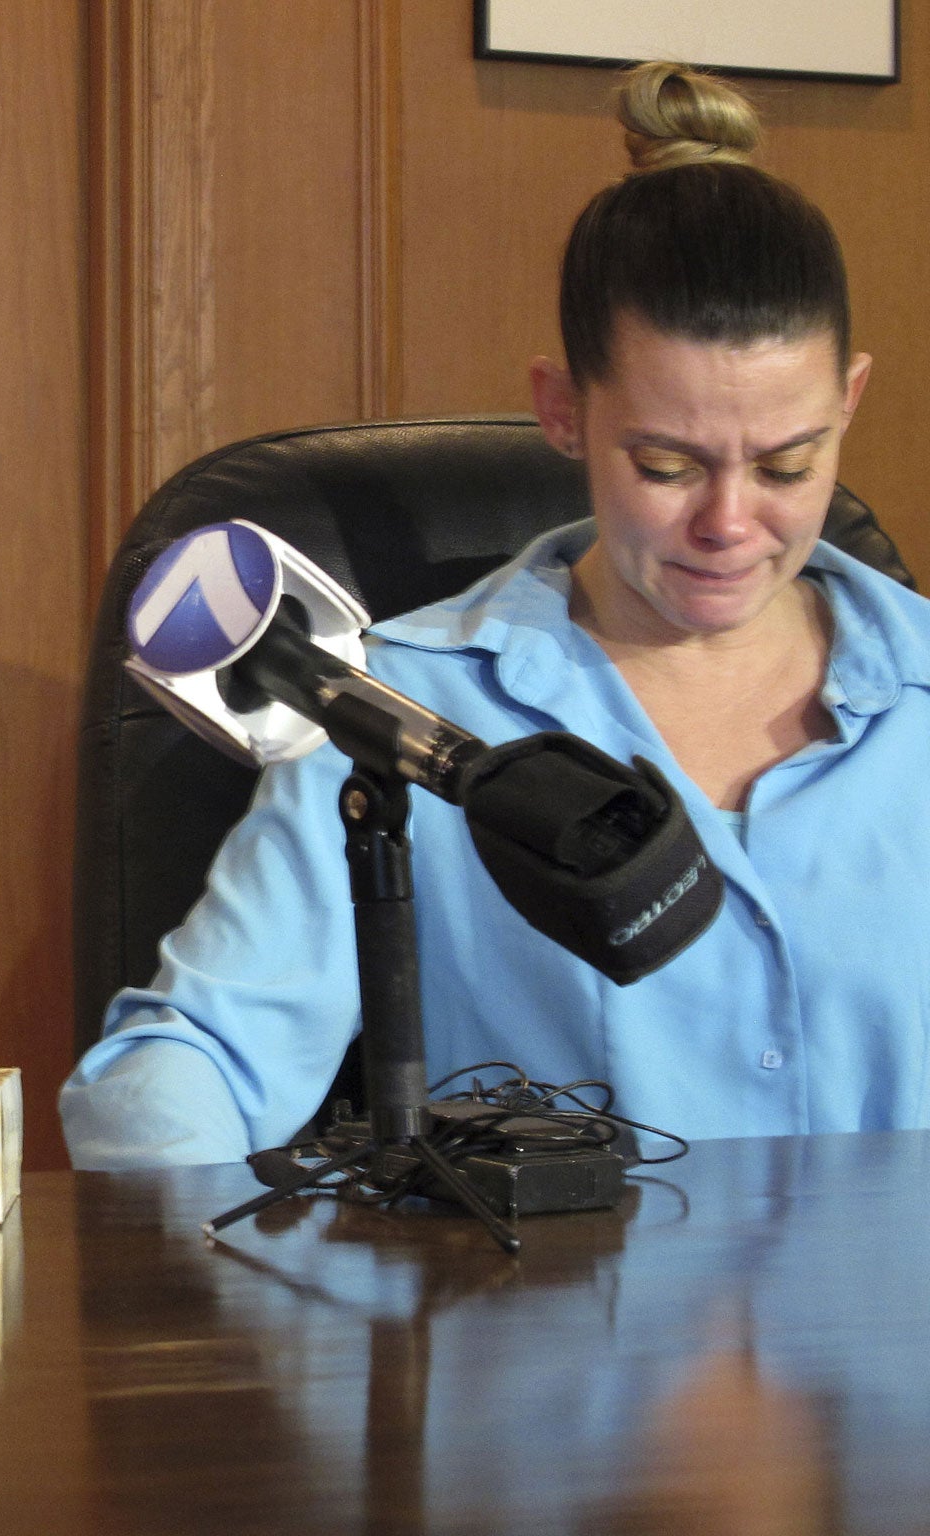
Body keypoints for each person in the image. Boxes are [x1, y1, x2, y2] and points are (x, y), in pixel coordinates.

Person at [62, 62, 930, 1167]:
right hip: (555, 1331)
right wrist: (161, 1192)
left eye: (786, 463)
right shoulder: (399, 705)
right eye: (665, 464)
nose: (728, 521)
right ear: (561, 412)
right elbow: (203, 1055)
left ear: (847, 403)